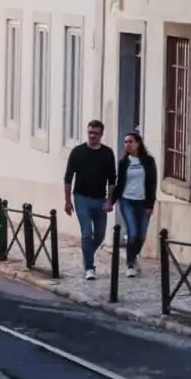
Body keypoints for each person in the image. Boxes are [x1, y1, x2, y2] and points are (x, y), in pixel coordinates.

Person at [64, 120, 117, 280]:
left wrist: (109, 201)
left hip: (100, 198)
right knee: (86, 233)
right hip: (81, 197)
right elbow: (68, 177)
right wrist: (67, 200)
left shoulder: (107, 153)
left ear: (101, 135)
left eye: (95, 133)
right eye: (90, 133)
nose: (92, 136)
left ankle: (87, 254)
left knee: (99, 235)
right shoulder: (78, 152)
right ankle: (89, 267)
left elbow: (112, 180)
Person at [109, 132, 157, 277]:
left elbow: (152, 184)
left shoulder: (148, 161)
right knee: (133, 232)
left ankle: (133, 255)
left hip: (143, 202)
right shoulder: (124, 162)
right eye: (125, 142)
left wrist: (150, 204)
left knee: (141, 235)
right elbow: (119, 183)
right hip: (126, 200)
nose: (127, 145)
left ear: (138, 143)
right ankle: (130, 264)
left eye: (130, 142)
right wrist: (110, 201)